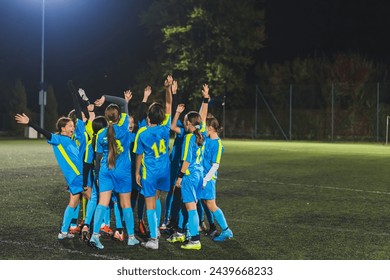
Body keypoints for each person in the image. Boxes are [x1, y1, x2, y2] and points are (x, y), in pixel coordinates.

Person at [15, 112, 90, 240]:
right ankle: (92, 229)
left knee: (74, 202)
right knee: (93, 198)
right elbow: (45, 132)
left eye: (73, 125)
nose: (73, 128)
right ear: (62, 128)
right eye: (70, 126)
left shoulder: (70, 140)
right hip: (77, 176)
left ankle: (64, 232)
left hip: (77, 175)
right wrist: (30, 123)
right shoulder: (58, 139)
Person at [89, 95, 139, 249]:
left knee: (102, 204)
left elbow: (97, 158)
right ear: (120, 116)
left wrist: (97, 176)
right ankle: (131, 237)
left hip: (105, 170)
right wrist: (105, 97)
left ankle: (95, 236)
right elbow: (124, 103)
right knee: (125, 204)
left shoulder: (100, 134)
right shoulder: (124, 126)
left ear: (106, 117)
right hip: (122, 171)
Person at [133, 77, 173, 250]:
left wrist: (136, 172)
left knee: (149, 203)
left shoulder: (142, 133)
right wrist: (168, 88)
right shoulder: (165, 128)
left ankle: (153, 240)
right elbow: (170, 105)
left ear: (148, 117)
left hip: (150, 172)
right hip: (165, 171)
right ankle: (155, 229)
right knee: (156, 199)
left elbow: (139, 156)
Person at [171, 84, 210, 250]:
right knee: (190, 206)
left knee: (190, 208)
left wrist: (179, 177)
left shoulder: (188, 138)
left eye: (185, 121)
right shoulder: (201, 133)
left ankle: (194, 239)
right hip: (199, 174)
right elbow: (202, 116)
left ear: (188, 123)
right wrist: (205, 99)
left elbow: (186, 160)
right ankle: (187, 234)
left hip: (190, 174)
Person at [200, 115, 233, 241]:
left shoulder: (217, 144)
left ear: (210, 128)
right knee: (205, 203)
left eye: (205, 129)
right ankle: (208, 226)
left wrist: (205, 180)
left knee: (212, 205)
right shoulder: (207, 139)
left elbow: (215, 166)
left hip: (208, 179)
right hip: (202, 177)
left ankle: (226, 230)